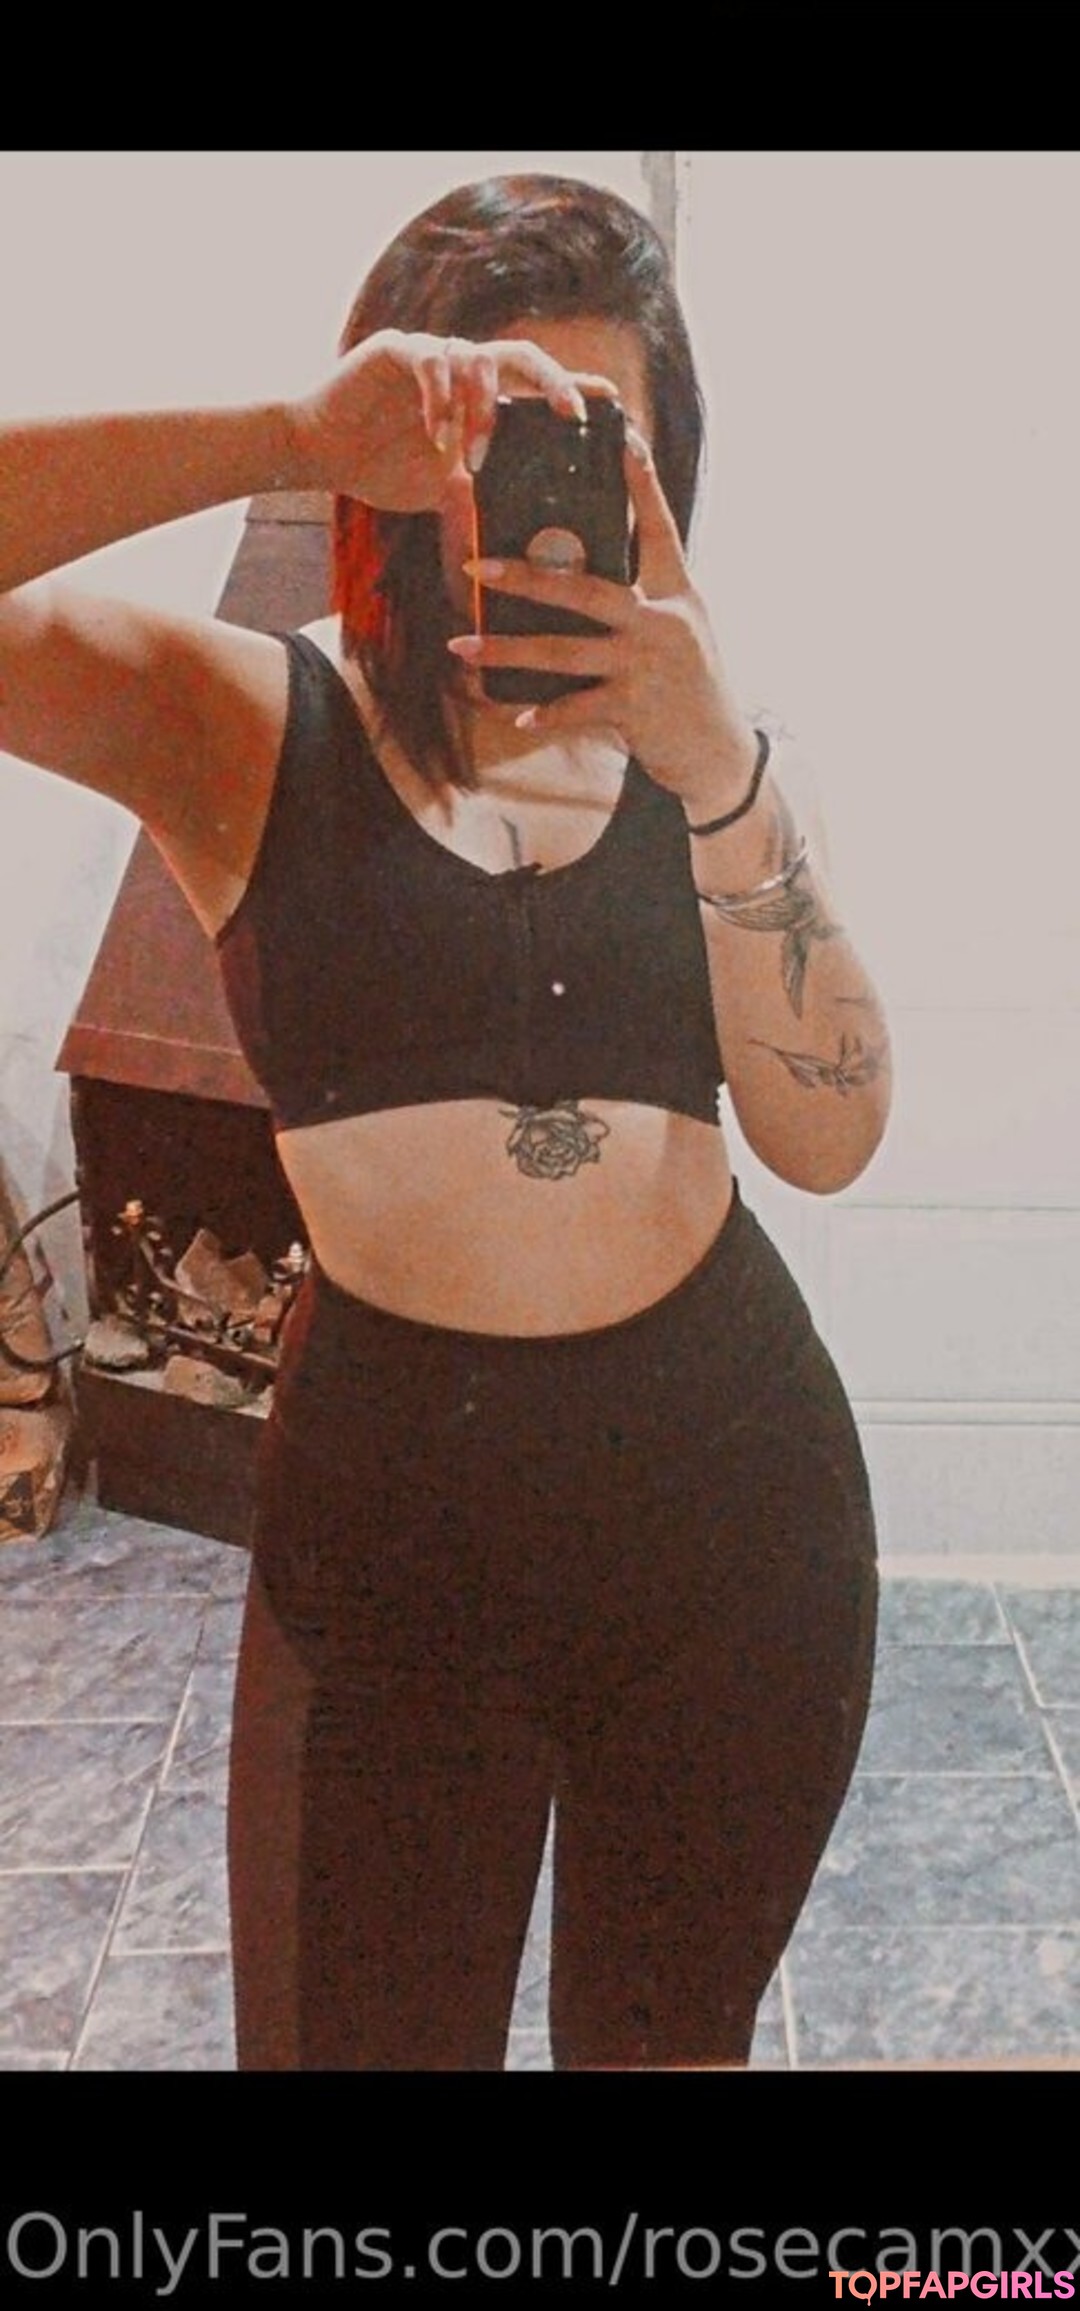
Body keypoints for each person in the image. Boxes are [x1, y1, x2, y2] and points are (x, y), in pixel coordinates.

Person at [0, 172, 890, 2072]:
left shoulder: (716, 757)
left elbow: (829, 1140)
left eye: (593, 437)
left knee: (666, 2053)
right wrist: (281, 436)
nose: (536, 492)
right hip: (395, 1537)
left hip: (729, 1516)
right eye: (487, 432)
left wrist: (722, 774)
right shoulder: (245, 723)